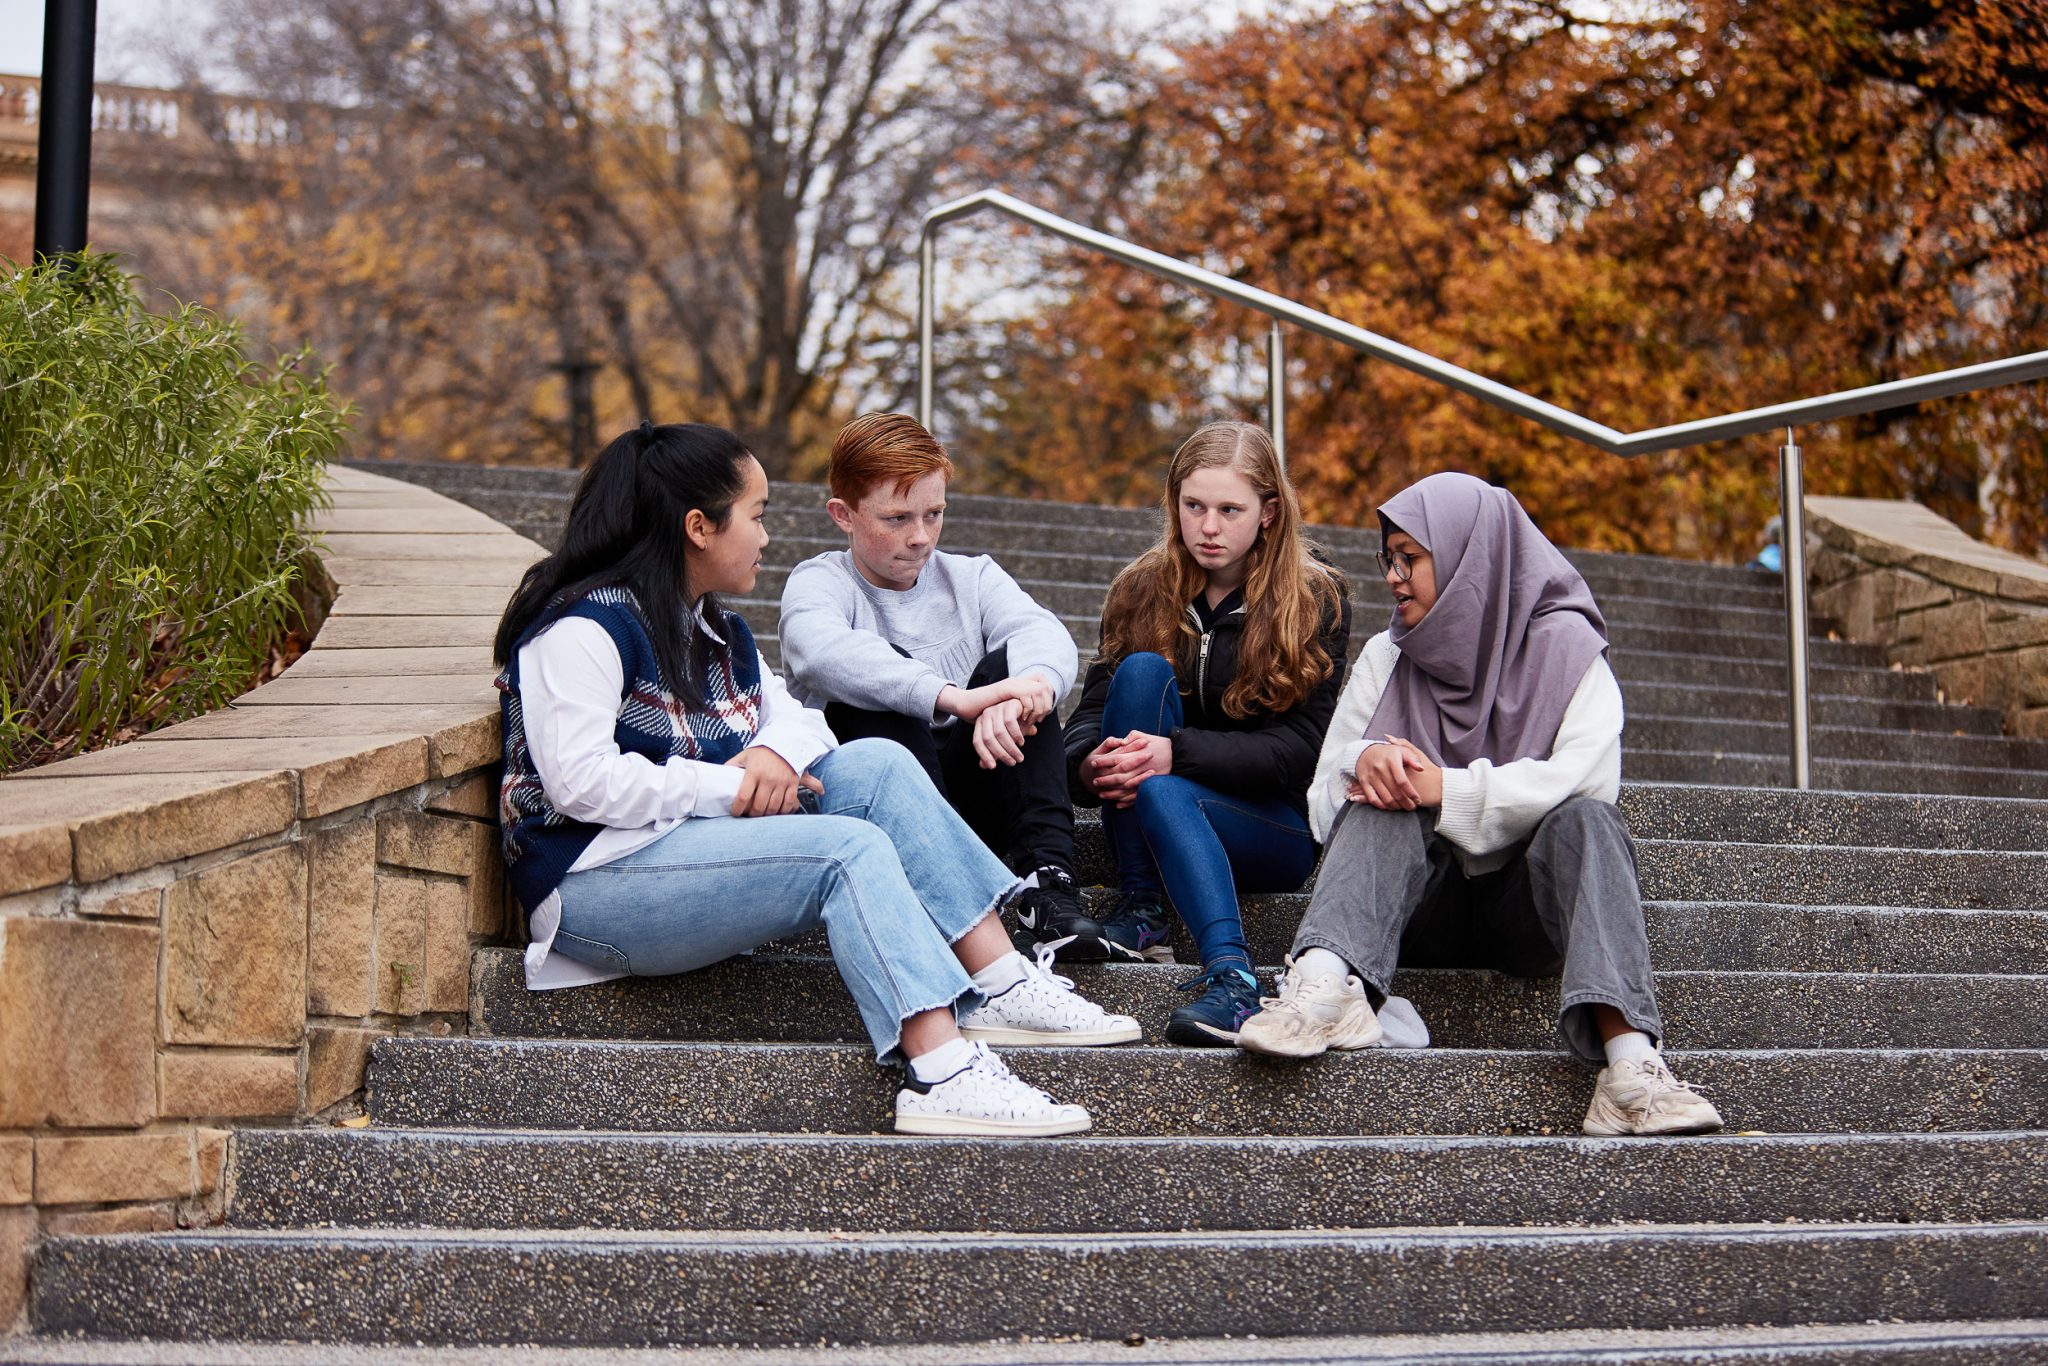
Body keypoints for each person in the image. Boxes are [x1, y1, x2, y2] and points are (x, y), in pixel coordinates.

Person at [492, 420, 1138, 1139]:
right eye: (758, 515)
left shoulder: (715, 631)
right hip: (592, 885)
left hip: (681, 850)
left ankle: (1000, 982)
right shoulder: (583, 628)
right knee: (847, 849)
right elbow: (579, 782)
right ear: (699, 527)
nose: (768, 537)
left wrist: (771, 755)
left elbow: (804, 721)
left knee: (879, 765)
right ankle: (941, 1073)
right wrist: (730, 788)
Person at [1235, 471, 1724, 1138]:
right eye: (1390, 558)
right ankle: (1319, 988)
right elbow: (1322, 807)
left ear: (1473, 560)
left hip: (1527, 912)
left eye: (1410, 558)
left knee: (1590, 821)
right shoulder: (1387, 657)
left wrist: (1451, 789)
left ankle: (1632, 1072)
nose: (1393, 577)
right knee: (1384, 780)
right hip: (1412, 914)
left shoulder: (1574, 657)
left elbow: (1586, 786)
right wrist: (1364, 761)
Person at [780, 413, 1110, 959]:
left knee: (1020, 676)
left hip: (972, 785)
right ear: (844, 514)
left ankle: (1045, 885)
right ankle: (938, 896)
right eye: (896, 517)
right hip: (879, 811)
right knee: (874, 691)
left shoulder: (972, 577)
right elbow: (820, 652)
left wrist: (1025, 694)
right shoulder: (819, 582)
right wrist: (952, 697)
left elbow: (1041, 631)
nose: (920, 537)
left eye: (934, 514)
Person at [1065, 421, 1350, 1046]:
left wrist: (1178, 753)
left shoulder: (1313, 597)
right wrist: (1088, 763)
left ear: (1269, 512)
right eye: (1194, 507)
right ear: (1175, 504)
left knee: (1167, 789)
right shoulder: (1143, 588)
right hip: (1150, 804)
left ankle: (1234, 980)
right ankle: (1142, 909)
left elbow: (1300, 751)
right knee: (1139, 674)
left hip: (1268, 825)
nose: (1209, 527)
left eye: (1229, 510)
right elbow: (1090, 712)